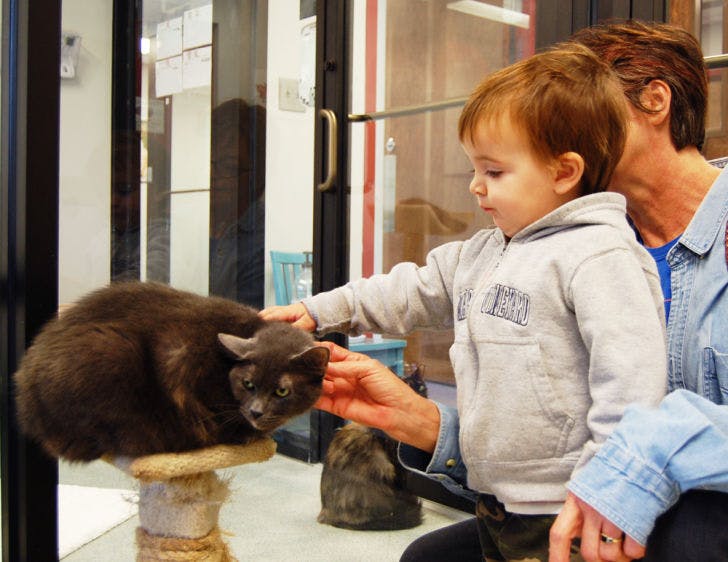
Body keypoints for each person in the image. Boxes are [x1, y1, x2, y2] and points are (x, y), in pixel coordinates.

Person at [262, 43, 667, 561]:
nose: (476, 186)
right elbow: (408, 290)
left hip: (567, 508)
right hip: (495, 499)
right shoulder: (483, 251)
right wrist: (321, 311)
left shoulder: (599, 256)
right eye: (475, 168)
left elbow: (632, 388)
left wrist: (604, 489)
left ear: (565, 172)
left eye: (494, 172)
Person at [547, 20, 728, 562]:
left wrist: (651, 449)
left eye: (574, 116)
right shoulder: (588, 251)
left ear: (654, 100)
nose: (556, 141)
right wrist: (430, 428)